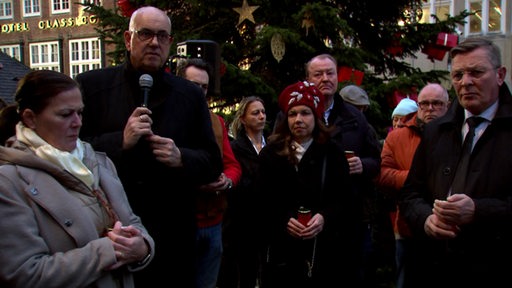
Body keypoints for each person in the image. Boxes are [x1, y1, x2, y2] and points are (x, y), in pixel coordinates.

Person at [75, 6, 223, 287]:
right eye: (145, 34)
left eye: (162, 36)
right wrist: (120, 141)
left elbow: (212, 163)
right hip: (112, 233)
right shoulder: (92, 87)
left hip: (173, 235)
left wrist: (181, 157)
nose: (154, 42)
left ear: (169, 42)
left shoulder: (189, 95)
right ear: (128, 39)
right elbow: (71, 154)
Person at [0, 69, 154, 288]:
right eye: (65, 114)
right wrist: (108, 251)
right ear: (30, 118)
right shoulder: (9, 182)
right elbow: (25, 274)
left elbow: (132, 222)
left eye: (80, 113)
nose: (78, 122)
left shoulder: (98, 161)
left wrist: (143, 247)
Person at [399, 37, 512, 287]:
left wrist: (478, 211)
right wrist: (426, 219)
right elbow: (410, 195)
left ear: (500, 75)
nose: (465, 82)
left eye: (476, 72)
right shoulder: (435, 131)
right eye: (458, 75)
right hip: (435, 268)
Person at [258, 81, 361, 287]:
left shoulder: (332, 153)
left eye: (305, 113)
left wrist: (324, 217)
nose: (298, 120)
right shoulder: (271, 153)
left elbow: (345, 199)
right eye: (292, 114)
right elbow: (261, 198)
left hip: (323, 253)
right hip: (281, 254)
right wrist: (284, 219)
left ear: (316, 117)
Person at [305, 54, 382, 287]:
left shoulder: (355, 117)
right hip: (308, 218)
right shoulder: (296, 114)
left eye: (330, 73)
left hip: (349, 221)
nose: (325, 79)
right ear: (308, 79)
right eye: (318, 74)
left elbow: (376, 162)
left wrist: (363, 165)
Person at [176, 58, 242, 288]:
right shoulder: (167, 120)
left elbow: (233, 165)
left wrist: (227, 181)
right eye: (193, 85)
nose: (199, 92)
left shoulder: (216, 122)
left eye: (204, 87)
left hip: (214, 223)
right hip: (182, 222)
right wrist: (196, 184)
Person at [377, 83, 449, 288]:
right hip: (408, 228)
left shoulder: (460, 135)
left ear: (448, 105)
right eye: (424, 104)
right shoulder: (397, 137)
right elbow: (382, 175)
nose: (430, 109)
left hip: (449, 227)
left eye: (437, 104)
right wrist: (416, 178)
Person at [217, 96, 267, 288]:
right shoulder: (236, 148)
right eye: (255, 113)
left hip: (263, 218)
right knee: (237, 270)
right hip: (239, 219)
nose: (261, 116)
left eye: (263, 112)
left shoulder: (271, 146)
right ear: (244, 119)